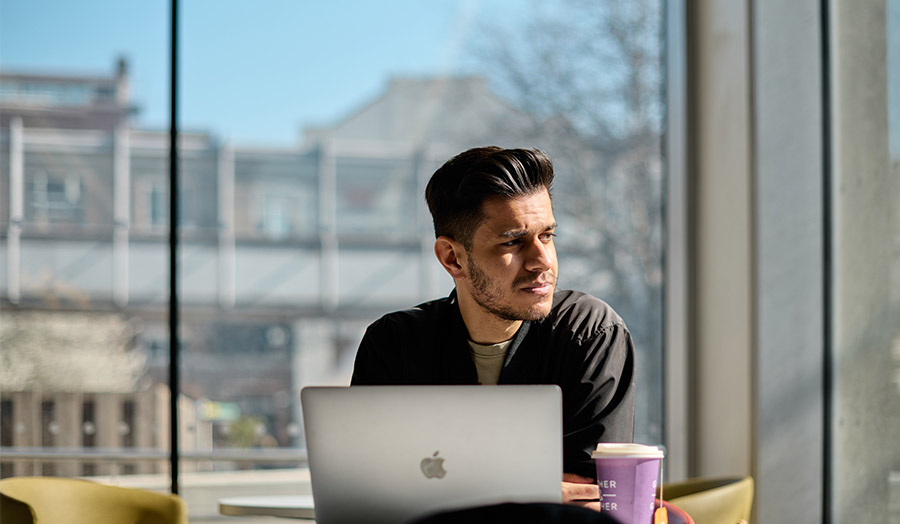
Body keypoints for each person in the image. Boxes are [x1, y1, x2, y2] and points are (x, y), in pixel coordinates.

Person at [351, 146, 635, 510]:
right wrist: (533, 490)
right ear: (453, 258)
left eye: (547, 236)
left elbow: (587, 499)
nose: (541, 261)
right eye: (513, 241)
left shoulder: (591, 333)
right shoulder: (394, 343)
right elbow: (365, 495)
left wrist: (437, 493)